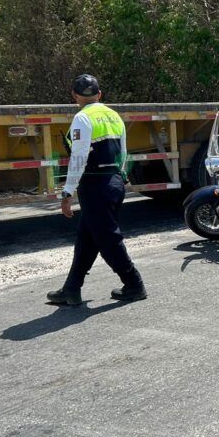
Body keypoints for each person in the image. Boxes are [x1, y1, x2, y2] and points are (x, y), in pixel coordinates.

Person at [46, 74, 147, 306]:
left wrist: (67, 193)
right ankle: (71, 289)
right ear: (99, 94)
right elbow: (123, 153)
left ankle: (134, 284)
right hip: (113, 181)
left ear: (74, 95)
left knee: (108, 239)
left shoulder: (82, 118)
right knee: (87, 237)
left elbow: (79, 158)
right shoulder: (114, 116)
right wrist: (119, 178)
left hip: (94, 184)